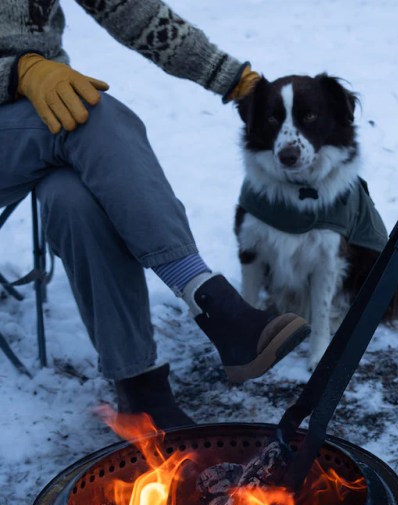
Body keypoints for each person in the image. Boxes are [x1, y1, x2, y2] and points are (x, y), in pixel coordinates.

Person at [0, 1, 310, 430]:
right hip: (32, 107)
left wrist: (239, 83)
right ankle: (212, 302)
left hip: (42, 110)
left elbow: (133, 13)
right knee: (92, 115)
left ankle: (138, 389)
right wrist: (16, 72)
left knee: (75, 199)